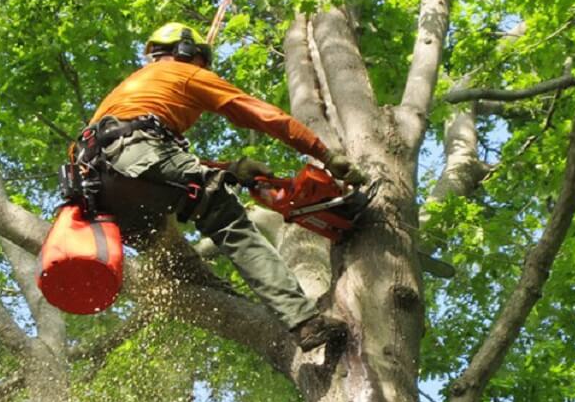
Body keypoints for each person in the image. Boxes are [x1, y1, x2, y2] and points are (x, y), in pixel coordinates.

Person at [83, 22, 365, 351]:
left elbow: (159, 163)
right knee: (227, 220)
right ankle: (304, 321)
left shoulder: (130, 93)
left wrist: (231, 170)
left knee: (179, 260)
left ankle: (218, 296)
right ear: (187, 52)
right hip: (140, 158)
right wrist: (325, 154)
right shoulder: (185, 72)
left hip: (100, 195)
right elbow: (262, 115)